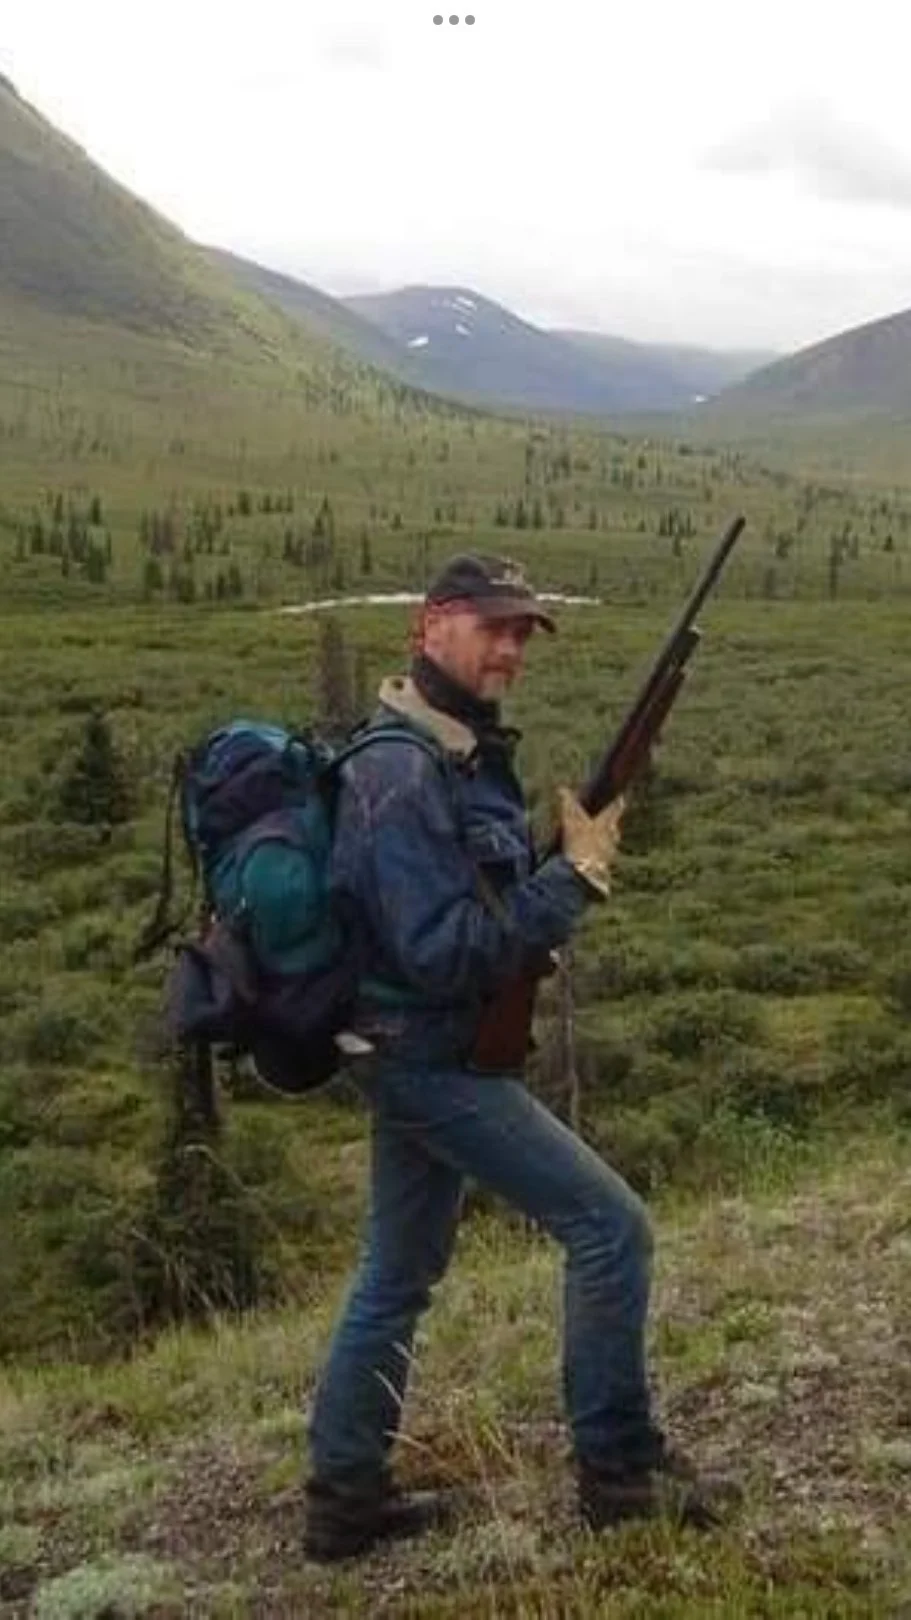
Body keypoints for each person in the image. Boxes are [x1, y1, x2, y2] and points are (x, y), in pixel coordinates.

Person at [303, 554, 737, 1562]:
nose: (507, 650)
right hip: (427, 1053)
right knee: (609, 1230)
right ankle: (618, 1472)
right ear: (429, 626)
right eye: (489, 627)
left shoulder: (453, 750)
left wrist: (547, 856)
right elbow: (446, 951)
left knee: (398, 1270)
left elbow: (473, 908)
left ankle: (344, 1499)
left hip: (414, 1044)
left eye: (520, 633)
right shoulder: (397, 770)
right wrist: (573, 879)